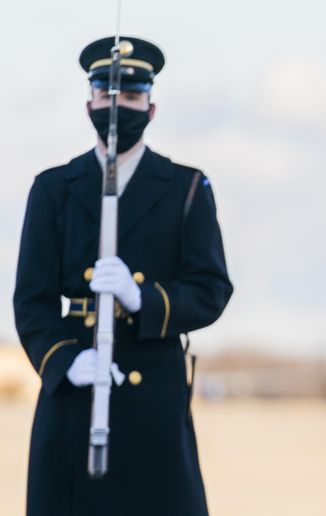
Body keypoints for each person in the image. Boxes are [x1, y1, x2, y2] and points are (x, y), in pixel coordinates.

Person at [13, 35, 233, 516]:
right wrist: (65, 361)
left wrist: (141, 298)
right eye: (107, 94)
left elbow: (211, 289)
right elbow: (31, 299)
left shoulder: (187, 187)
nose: (117, 106)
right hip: (75, 388)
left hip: (152, 386)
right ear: (88, 102)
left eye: (131, 96)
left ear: (151, 108)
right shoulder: (52, 188)